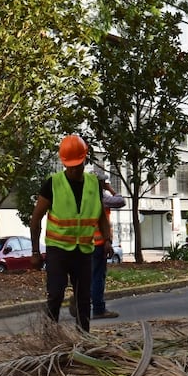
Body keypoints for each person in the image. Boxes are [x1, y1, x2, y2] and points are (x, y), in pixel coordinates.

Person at [29, 135, 111, 333]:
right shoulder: (53, 184)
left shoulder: (94, 184)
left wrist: (107, 239)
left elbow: (100, 216)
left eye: (78, 164)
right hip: (58, 250)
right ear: (64, 162)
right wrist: (34, 252)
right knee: (55, 294)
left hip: (83, 250)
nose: (74, 169)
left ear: (85, 159)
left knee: (84, 298)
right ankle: (49, 339)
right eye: (70, 165)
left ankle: (84, 339)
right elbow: (36, 219)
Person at [89, 176, 126, 319]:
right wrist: (109, 188)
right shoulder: (102, 198)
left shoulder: (86, 198)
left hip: (85, 243)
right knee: (98, 276)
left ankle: (83, 298)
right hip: (99, 244)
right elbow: (121, 201)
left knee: (89, 276)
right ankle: (98, 309)